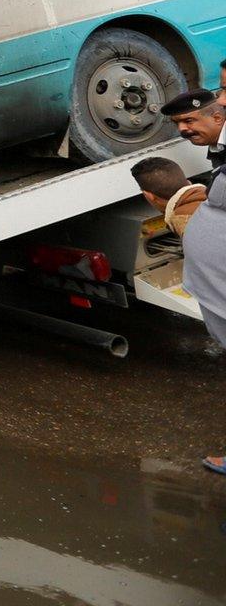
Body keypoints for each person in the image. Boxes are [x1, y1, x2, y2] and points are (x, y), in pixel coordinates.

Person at [149, 93, 226, 475]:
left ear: (217, 115)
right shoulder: (220, 148)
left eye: (191, 121)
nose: (183, 130)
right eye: (178, 124)